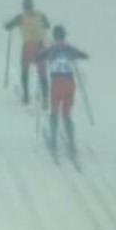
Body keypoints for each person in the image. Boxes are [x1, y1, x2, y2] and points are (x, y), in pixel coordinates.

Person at [37, 25, 90, 157]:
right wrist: (81, 56)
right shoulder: (70, 49)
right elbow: (83, 55)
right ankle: (72, 144)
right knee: (67, 114)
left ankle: (53, 142)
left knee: (54, 111)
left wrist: (38, 56)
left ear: (55, 37)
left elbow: (38, 58)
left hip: (57, 83)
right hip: (70, 83)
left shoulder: (51, 50)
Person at [2, 0, 52, 107]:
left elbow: (8, 26)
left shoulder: (20, 17)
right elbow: (48, 25)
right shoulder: (41, 15)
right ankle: (45, 98)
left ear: (24, 6)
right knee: (42, 72)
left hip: (28, 46)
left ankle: (26, 96)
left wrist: (8, 26)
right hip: (41, 46)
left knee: (25, 70)